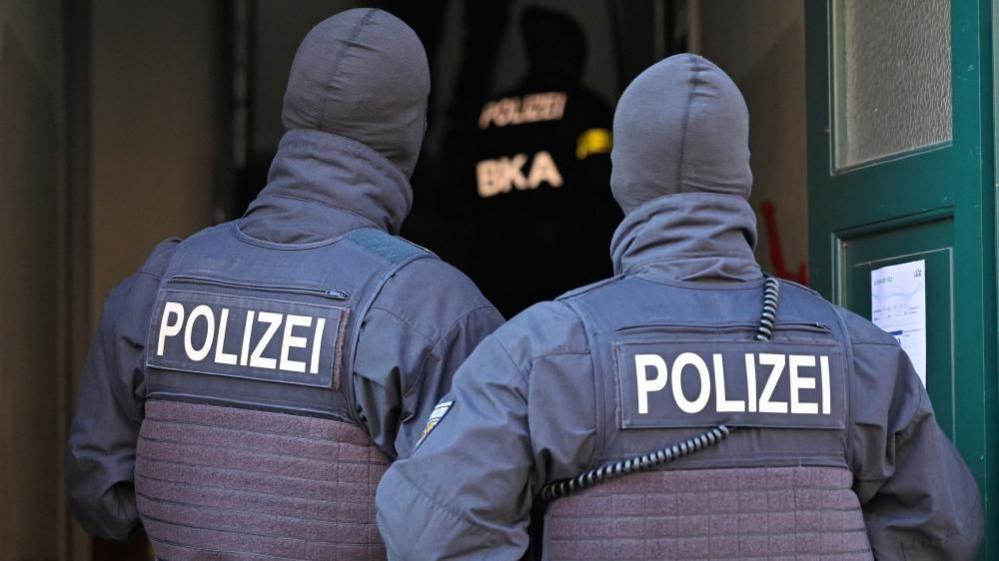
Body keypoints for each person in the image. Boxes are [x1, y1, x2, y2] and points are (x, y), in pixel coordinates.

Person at [375, 54, 984, 561]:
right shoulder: (863, 354)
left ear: (624, 180)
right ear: (740, 175)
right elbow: (946, 528)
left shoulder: (541, 350)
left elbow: (430, 528)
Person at [65, 9, 503, 560]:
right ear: (411, 131)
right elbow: (470, 536)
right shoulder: (435, 313)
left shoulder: (160, 281)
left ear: (292, 110)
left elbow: (99, 497)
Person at [441, 5, 618, 317]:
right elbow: (603, 182)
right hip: (571, 275)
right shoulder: (587, 109)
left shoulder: (487, 113)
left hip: (493, 272)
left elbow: (455, 187)